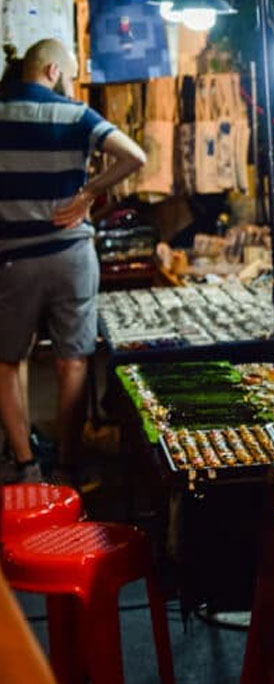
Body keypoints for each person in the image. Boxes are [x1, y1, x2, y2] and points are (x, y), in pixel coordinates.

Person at [0, 39, 146, 484]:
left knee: (8, 361)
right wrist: (86, 194)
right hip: (71, 255)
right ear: (50, 71)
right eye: (65, 73)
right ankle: (67, 467)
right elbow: (134, 156)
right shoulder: (75, 113)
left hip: (12, 260)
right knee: (75, 361)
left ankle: (26, 467)